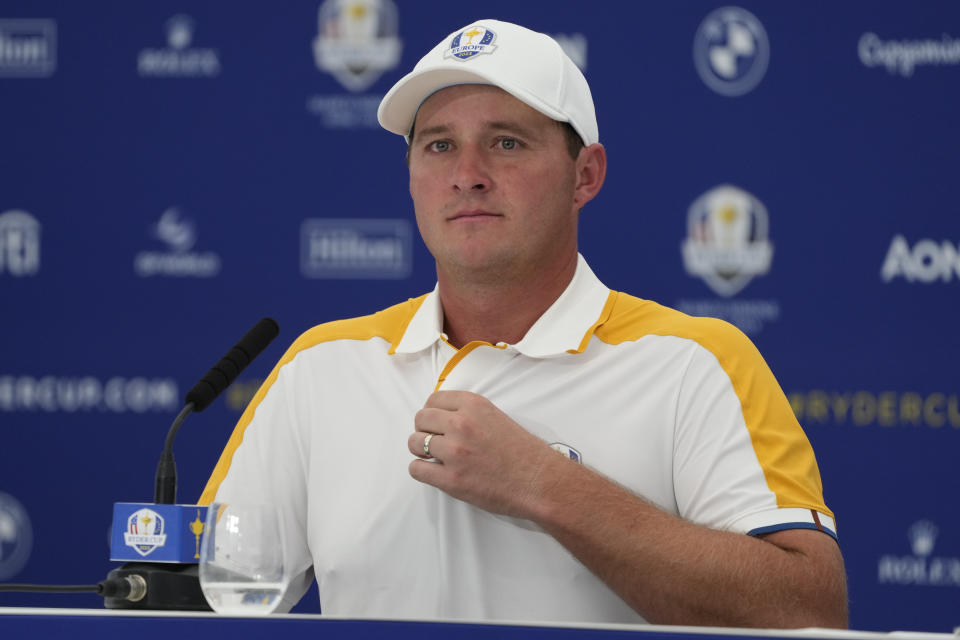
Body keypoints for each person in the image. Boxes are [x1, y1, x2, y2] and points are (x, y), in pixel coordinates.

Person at [200, 19, 848, 627]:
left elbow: (810, 609)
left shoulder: (695, 360)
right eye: (439, 146)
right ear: (411, 177)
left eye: (506, 143)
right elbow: (198, 601)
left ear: (585, 176)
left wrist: (544, 486)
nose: (467, 176)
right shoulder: (322, 365)